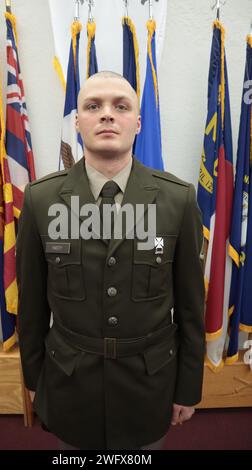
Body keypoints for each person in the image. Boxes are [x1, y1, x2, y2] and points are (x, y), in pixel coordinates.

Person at [16, 71, 205, 451]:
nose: (106, 115)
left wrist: (188, 386)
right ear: (78, 122)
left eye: (120, 106)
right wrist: (36, 381)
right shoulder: (41, 200)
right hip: (70, 384)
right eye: (93, 106)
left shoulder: (177, 200)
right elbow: (32, 307)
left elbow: (190, 308)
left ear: (137, 122)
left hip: (149, 385)